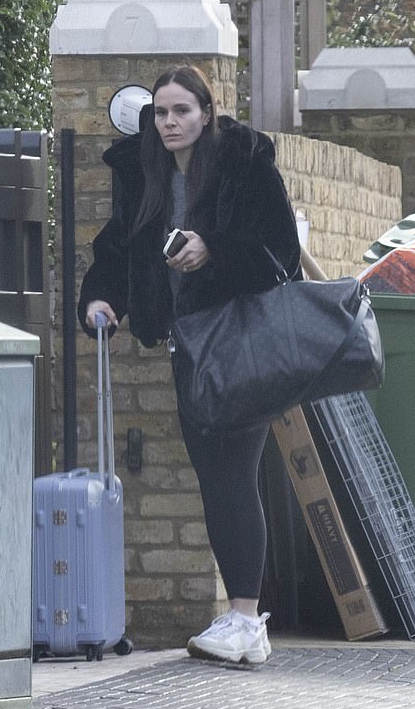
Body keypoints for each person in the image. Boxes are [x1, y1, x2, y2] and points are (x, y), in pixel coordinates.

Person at [78, 65, 301, 665]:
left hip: (241, 340)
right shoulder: (142, 170)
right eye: (160, 112)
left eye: (181, 111)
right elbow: (119, 247)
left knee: (233, 473)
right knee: (215, 477)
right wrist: (102, 297)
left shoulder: (244, 161)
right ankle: (243, 619)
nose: (170, 123)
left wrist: (213, 250)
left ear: (206, 112)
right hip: (187, 346)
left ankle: (247, 620)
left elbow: (281, 250)